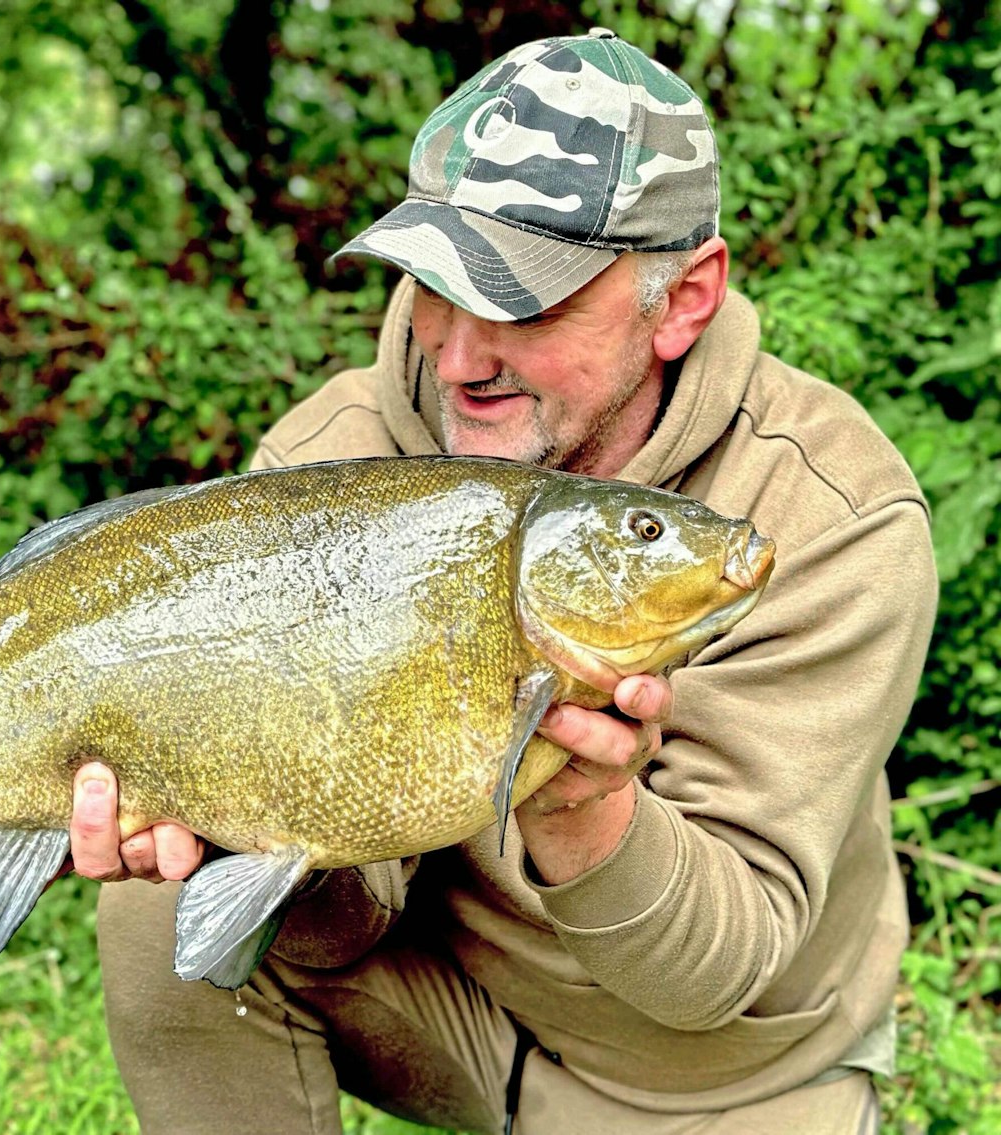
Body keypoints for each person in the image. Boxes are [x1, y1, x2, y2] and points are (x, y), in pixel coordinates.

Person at [68, 29, 936, 1134]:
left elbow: (718, 970)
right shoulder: (334, 463)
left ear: (682, 299)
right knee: (168, 906)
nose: (460, 354)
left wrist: (583, 806)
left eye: (524, 301)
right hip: (449, 1007)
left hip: (706, 1081)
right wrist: (245, 828)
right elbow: (343, 924)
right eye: (436, 282)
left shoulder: (827, 513)